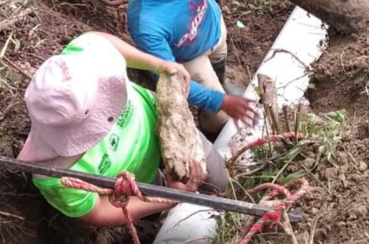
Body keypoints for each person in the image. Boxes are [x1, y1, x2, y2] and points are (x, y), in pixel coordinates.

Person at [17, 32, 229, 225]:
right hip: (140, 183)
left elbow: (102, 42)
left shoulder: (75, 69)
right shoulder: (55, 174)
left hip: (166, 127)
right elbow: (98, 211)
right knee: (160, 213)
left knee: (217, 178)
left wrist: (157, 64)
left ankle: (226, 194)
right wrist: (170, 198)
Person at [125, 0, 254, 134]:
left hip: (213, 27)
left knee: (220, 59)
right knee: (219, 116)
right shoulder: (146, 24)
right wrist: (218, 101)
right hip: (191, 59)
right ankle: (213, 132)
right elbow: (170, 76)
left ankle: (220, 81)